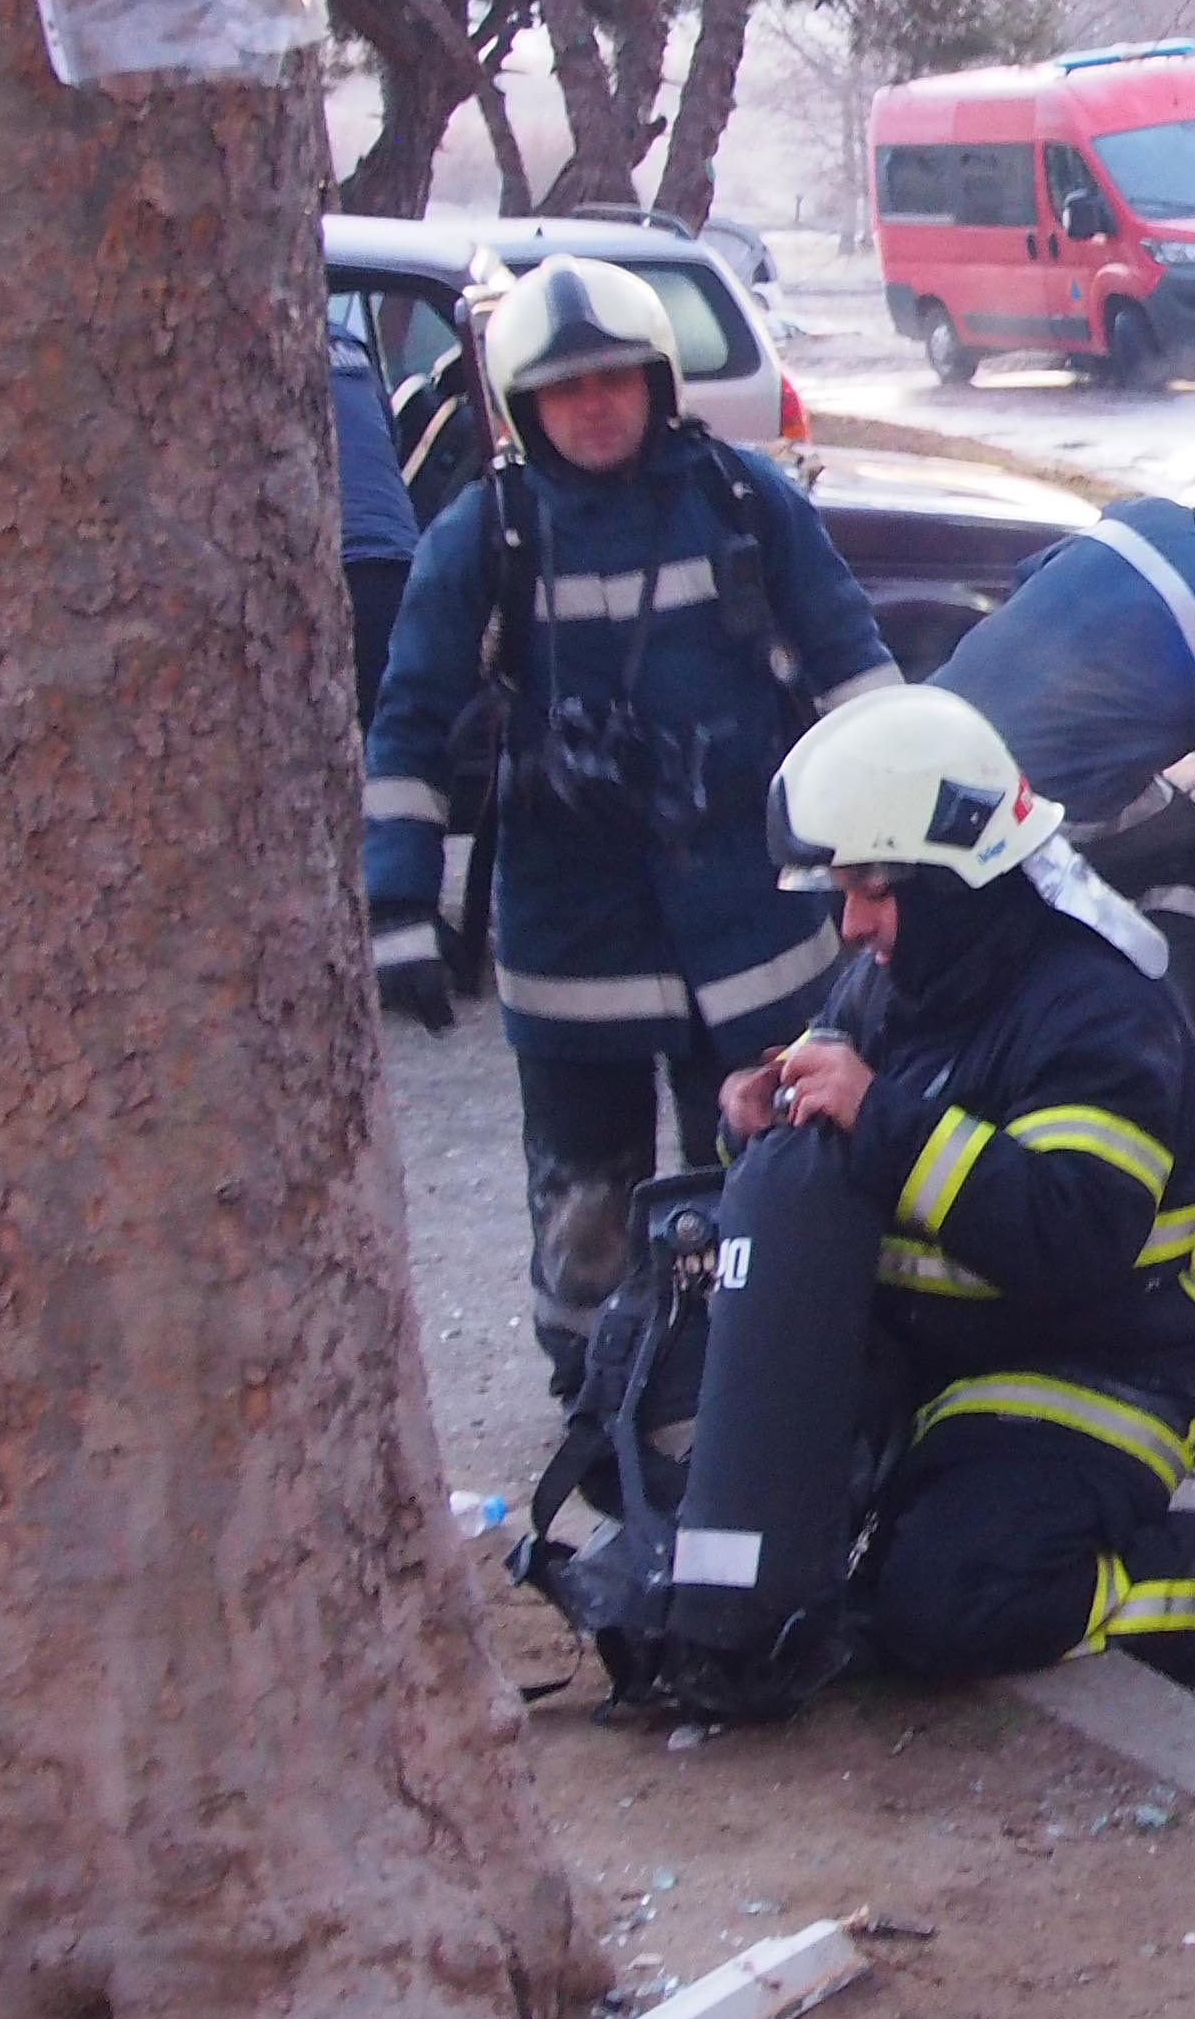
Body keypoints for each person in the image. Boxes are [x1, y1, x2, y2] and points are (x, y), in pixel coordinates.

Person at [365, 254, 898, 1395]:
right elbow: (409, 718)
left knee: (771, 1165)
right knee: (584, 1197)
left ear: (657, 382)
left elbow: (857, 673)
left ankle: (776, 1371)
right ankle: (597, 1390)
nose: (594, 405)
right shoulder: (484, 535)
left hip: (751, 925)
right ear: (525, 406)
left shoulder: (747, 502)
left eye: (613, 379)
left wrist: (897, 848)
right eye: (566, 389)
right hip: (575, 943)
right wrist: (398, 904)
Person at [733, 684, 1195, 1709]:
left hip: (1105, 1367)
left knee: (946, 1603)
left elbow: (1070, 1235)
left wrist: (881, 1118)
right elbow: (836, 1149)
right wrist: (756, 1121)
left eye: (874, 888)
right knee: (746, 1548)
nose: (852, 924)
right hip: (932, 1363)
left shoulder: (1099, 1012)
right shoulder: (905, 980)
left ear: (953, 877)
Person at [923, 467, 1195, 1049]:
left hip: (932, 747)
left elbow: (1030, 579)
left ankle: (1088, 970)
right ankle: (1151, 1052)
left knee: (1155, 812)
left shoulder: (1139, 518)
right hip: (1022, 797)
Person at [332, 314, 421, 726]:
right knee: (383, 724)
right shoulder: (349, 346)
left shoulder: (252, 355)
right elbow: (391, 437)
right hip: (398, 558)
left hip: (333, 565)